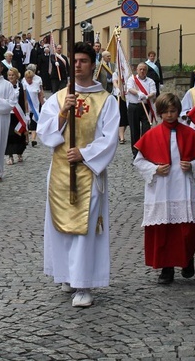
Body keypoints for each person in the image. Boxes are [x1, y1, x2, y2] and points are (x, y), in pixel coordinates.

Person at [37, 41, 119, 307]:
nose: (80, 65)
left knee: (85, 227)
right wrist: (63, 114)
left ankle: (84, 284)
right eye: (76, 61)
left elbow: (110, 139)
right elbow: (43, 132)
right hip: (60, 170)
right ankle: (67, 275)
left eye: (84, 61)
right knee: (60, 225)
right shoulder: (59, 97)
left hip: (88, 172)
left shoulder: (106, 100)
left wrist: (84, 153)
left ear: (93, 64)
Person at [134, 93, 195, 284]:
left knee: (186, 230)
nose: (169, 115)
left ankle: (187, 261)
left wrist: (192, 165)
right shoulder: (151, 135)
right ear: (159, 113)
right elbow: (139, 162)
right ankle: (166, 269)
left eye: (173, 111)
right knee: (164, 230)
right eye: (165, 112)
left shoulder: (189, 133)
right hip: (162, 188)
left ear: (178, 111)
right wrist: (155, 169)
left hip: (183, 186)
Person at [126, 63, 157, 157]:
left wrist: (147, 96)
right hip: (134, 107)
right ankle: (135, 153)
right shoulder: (132, 79)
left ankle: (144, 151)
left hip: (145, 107)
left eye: (144, 69)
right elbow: (130, 88)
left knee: (146, 130)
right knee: (134, 131)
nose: (142, 71)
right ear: (137, 70)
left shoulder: (150, 81)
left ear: (146, 71)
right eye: (140, 69)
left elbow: (154, 92)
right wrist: (138, 93)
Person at [5, 67, 28, 165]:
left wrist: (27, 114)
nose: (11, 77)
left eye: (12, 75)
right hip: (9, 114)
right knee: (9, 135)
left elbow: (25, 100)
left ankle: (19, 153)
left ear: (16, 76)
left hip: (19, 114)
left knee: (19, 134)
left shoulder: (21, 86)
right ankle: (10, 156)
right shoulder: (5, 86)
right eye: (9, 75)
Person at [22, 69, 44, 147]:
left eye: (30, 78)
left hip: (35, 107)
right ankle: (27, 138)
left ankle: (33, 139)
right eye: (28, 78)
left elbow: (40, 95)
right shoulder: (23, 85)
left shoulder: (36, 84)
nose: (29, 79)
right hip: (27, 107)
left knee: (34, 123)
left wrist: (43, 104)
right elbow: (23, 97)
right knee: (27, 124)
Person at [112, 69, 129, 145]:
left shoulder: (127, 73)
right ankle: (122, 137)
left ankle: (120, 134)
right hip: (119, 96)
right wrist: (118, 88)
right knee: (121, 116)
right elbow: (115, 82)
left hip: (127, 96)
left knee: (126, 117)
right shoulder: (115, 73)